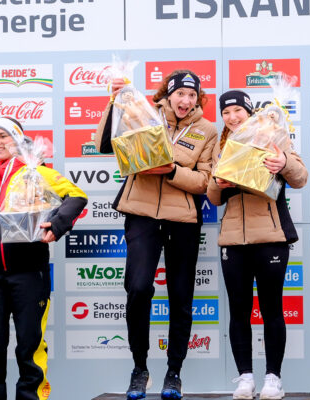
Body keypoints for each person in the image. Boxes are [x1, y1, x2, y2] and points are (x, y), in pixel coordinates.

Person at [95, 70, 218, 400]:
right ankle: (140, 368)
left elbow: (204, 182)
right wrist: (115, 102)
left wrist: (171, 169)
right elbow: (105, 144)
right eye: (180, 94)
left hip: (183, 220)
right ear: (169, 94)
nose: (186, 101)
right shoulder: (142, 113)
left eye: (192, 96)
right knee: (137, 288)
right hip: (142, 215)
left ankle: (174, 373)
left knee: (180, 297)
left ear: (197, 99)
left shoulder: (207, 131)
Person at [0, 117, 87, 400]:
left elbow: (77, 196)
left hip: (29, 271)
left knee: (30, 345)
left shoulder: (36, 172)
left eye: (4, 136)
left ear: (19, 140)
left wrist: (56, 227)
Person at [206, 91, 308, 400]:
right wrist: (217, 183)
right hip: (233, 239)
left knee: (271, 308)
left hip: (271, 238)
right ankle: (245, 378)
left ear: (249, 112)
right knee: (239, 311)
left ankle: (273, 379)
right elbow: (213, 197)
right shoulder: (221, 145)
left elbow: (301, 177)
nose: (232, 117)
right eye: (226, 112)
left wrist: (283, 161)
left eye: (238, 110)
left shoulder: (275, 137)